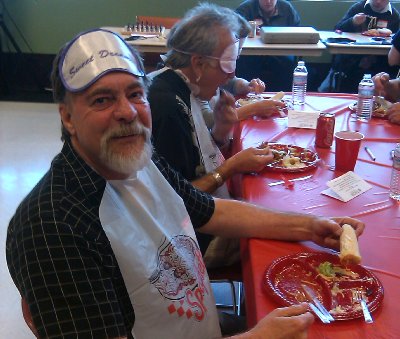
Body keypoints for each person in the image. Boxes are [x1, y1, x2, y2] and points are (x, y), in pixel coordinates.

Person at [6, 26, 366, 339]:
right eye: (102, 100)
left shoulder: (138, 160)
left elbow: (209, 210)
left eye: (134, 93)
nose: (127, 112)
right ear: (67, 117)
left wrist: (310, 225)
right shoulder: (50, 225)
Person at [148, 3, 285, 264]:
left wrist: (221, 131)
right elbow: (178, 202)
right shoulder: (166, 106)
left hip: (197, 217)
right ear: (197, 63)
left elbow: (195, 161)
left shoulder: (180, 86)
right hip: (186, 241)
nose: (232, 73)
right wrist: (231, 167)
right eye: (227, 62)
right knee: (276, 237)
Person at [319, 0, 400, 93]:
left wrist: (371, 58)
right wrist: (352, 21)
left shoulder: (394, 16)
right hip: (354, 56)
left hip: (379, 59)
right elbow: (337, 29)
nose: (378, 2)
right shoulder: (359, 7)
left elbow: (394, 43)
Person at [235, 0, 301, 91]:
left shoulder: (287, 8)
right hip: (253, 52)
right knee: (245, 61)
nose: (268, 1)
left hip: (280, 51)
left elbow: (296, 30)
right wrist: (249, 30)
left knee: (288, 62)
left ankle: (284, 95)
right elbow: (234, 29)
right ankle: (247, 93)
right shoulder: (245, 8)